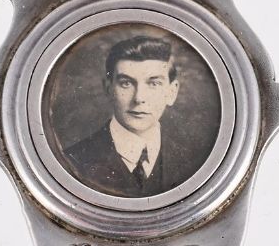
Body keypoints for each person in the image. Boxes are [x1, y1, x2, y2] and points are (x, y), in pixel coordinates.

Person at [65, 35, 196, 197]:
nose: (139, 98)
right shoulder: (73, 160)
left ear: (172, 92)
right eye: (126, 83)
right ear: (108, 89)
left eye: (154, 83)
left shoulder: (193, 159)